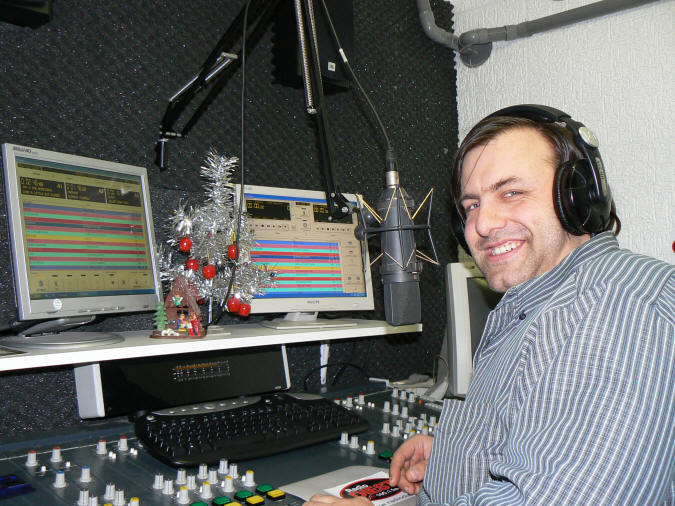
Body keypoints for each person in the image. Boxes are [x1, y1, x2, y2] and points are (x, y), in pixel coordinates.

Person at [304, 106, 674, 505]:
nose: (482, 225)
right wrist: (455, 457)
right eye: (472, 206)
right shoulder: (547, 299)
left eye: (511, 192)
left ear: (577, 196)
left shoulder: (614, 311)